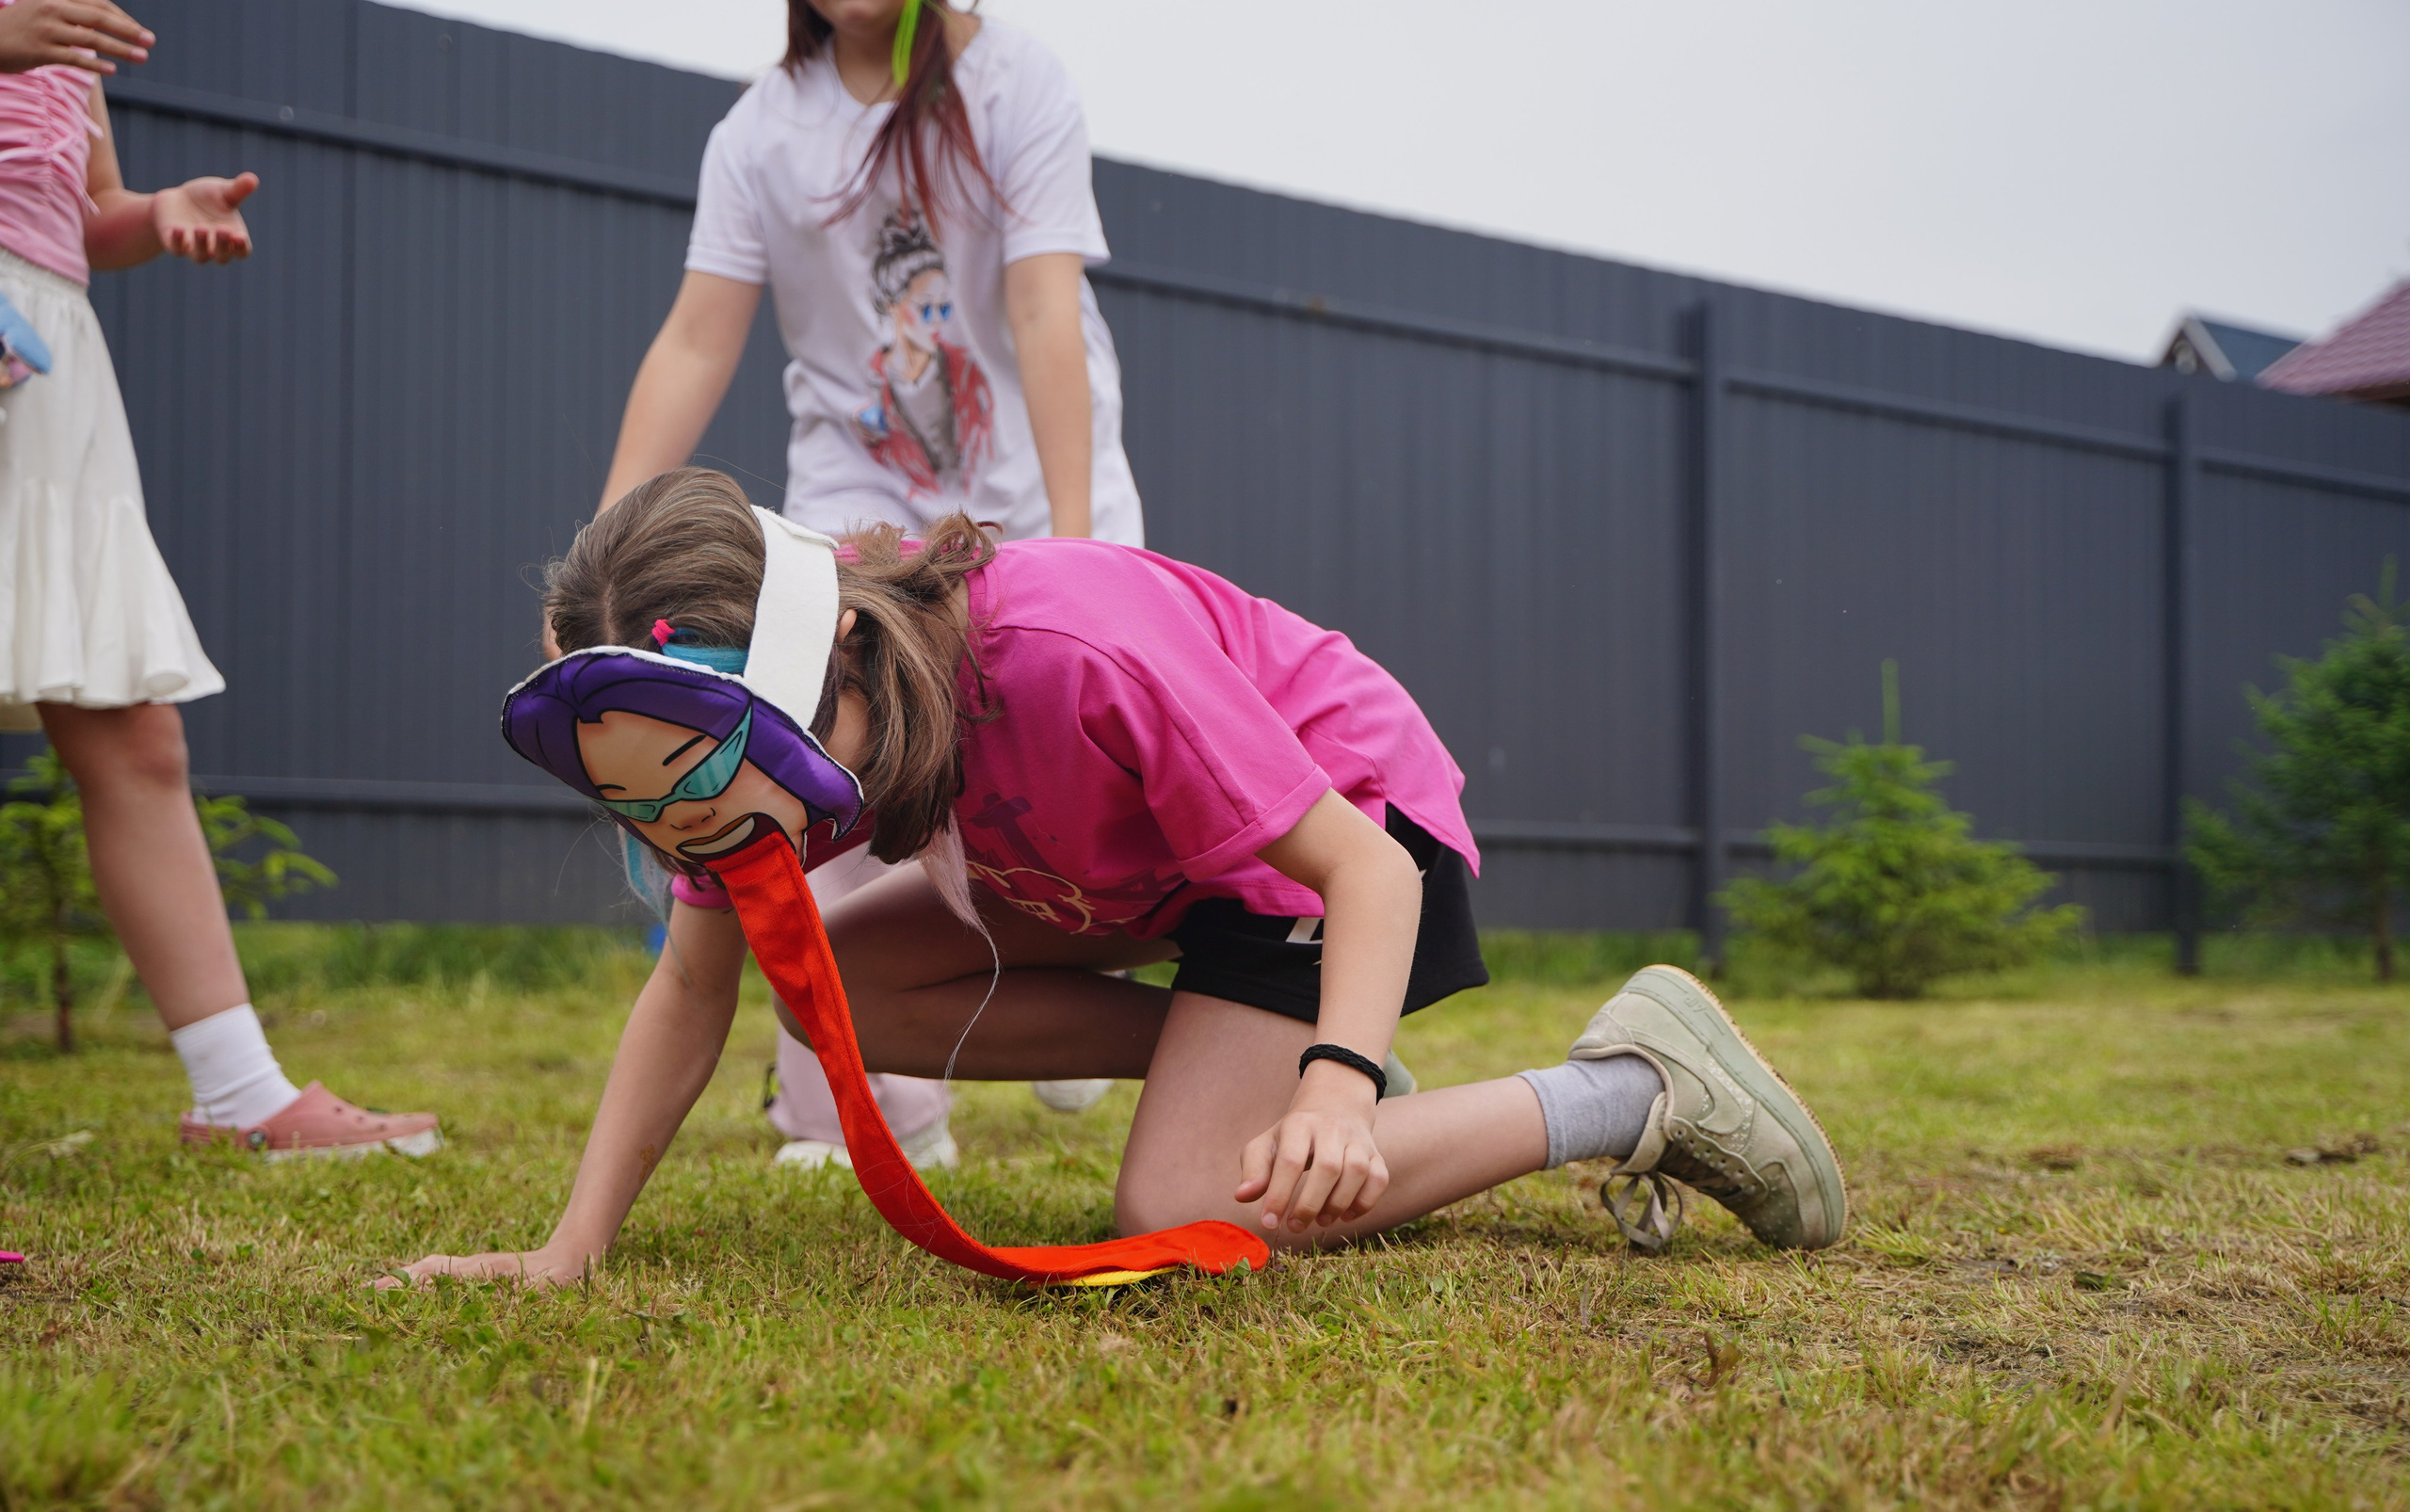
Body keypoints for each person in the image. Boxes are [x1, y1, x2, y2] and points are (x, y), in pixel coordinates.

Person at [391, 470, 1848, 1287]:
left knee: (1184, 1198)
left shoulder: (1067, 649)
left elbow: (1355, 864)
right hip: (1134, 878)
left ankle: (1633, 1085)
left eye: (702, 775)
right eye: (634, 802)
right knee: (823, 988)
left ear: (821, 661)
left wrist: (1336, 1087)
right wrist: (569, 1247)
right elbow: (691, 987)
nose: (679, 829)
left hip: (1344, 839)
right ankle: (1257, 1071)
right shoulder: (744, 779)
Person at [597, 0, 1145, 1162]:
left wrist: (1080, 540)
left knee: (1057, 782)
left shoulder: (1009, 83)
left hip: (1033, 497)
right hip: (857, 508)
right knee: (828, 775)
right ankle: (878, 1116)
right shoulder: (759, 134)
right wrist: (600, 564)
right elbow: (697, 339)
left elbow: (1045, 304)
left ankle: (1087, 965)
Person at [0, 10, 439, 1155]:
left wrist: (155, 215)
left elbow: (81, 216)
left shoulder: (67, 24)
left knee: (135, 735)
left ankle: (238, 1089)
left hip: (48, 371)